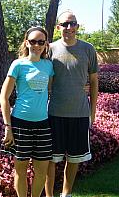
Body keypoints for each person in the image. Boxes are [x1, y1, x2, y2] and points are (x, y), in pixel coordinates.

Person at [44, 11, 99, 197]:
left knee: (74, 159)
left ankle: (66, 194)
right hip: (54, 113)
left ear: (77, 26)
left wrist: (92, 113)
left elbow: (93, 82)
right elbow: (44, 77)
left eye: (72, 23)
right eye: (65, 24)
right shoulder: (49, 49)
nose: (69, 27)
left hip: (80, 114)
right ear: (58, 27)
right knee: (51, 160)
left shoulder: (88, 49)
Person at [0, 27, 54, 197]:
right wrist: (8, 127)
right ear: (26, 42)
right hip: (20, 124)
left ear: (45, 44)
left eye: (41, 42)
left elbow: (52, 90)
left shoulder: (48, 65)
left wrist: (82, 88)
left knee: (41, 172)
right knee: (20, 172)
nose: (36, 45)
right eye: (33, 41)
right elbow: (4, 97)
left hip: (43, 125)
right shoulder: (18, 64)